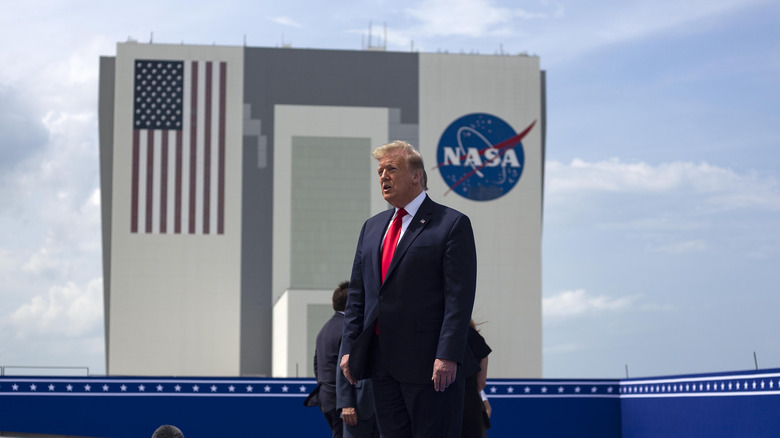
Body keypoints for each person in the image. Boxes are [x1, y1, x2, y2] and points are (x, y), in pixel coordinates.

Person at [340, 140, 478, 438]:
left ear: (416, 175)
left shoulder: (451, 224)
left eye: (392, 168)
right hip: (382, 367)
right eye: (379, 171)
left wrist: (448, 354)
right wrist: (349, 348)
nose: (383, 177)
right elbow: (357, 297)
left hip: (431, 368)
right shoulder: (372, 227)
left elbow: (459, 298)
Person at [311, 281, 379, 438]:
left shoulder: (324, 329)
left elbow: (317, 364)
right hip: (344, 401)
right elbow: (343, 364)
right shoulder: (347, 329)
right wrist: (346, 402)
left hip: (327, 398)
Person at [461, 320, 492, 438]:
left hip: (438, 406)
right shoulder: (473, 337)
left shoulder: (433, 334)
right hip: (470, 404)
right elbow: (481, 383)